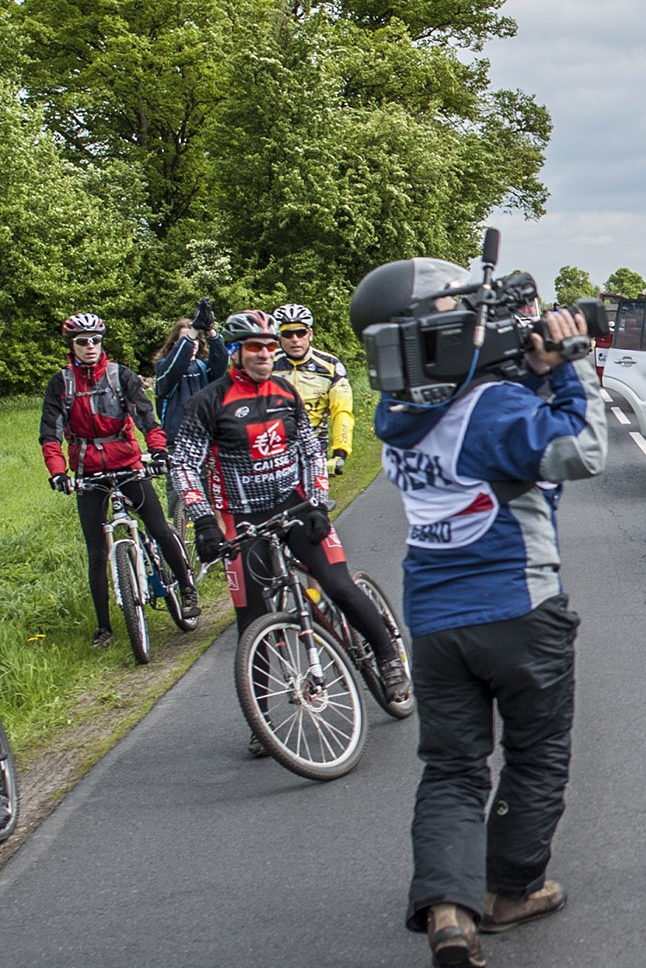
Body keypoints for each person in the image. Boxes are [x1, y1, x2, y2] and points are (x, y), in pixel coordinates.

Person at [355, 260, 607, 968]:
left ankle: (447, 907)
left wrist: (525, 370)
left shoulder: (398, 414)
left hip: (434, 620)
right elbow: (581, 450)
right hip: (519, 608)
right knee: (535, 755)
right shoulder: (493, 412)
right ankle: (508, 893)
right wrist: (571, 365)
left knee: (452, 767)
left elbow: (474, 414)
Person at [171, 309, 409, 743]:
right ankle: (261, 720)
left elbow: (310, 451)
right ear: (236, 353)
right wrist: (203, 519)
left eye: (269, 346)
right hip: (241, 517)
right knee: (252, 616)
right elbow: (184, 464)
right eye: (255, 347)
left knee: (336, 583)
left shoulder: (283, 391)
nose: (266, 353)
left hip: (296, 505)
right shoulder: (208, 401)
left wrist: (317, 501)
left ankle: (388, 656)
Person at [40, 313, 195, 650]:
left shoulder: (119, 375)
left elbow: (146, 417)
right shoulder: (61, 384)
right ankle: (104, 628)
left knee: (157, 526)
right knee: (96, 552)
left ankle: (186, 587)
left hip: (127, 464)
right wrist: (57, 472)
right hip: (87, 473)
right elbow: (50, 434)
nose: (90, 346)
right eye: (82, 341)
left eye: (96, 340)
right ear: (72, 346)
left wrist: (158, 451)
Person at [268, 302, 356, 476]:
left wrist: (340, 452)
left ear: (310, 334)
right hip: (273, 450)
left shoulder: (330, 366)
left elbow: (342, 411)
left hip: (313, 451)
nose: (295, 339)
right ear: (278, 337)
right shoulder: (268, 364)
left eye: (300, 332)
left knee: (315, 501)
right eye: (287, 333)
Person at [152, 300, 227, 438]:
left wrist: (210, 329)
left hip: (206, 437)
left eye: (196, 339)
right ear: (176, 343)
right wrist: (194, 329)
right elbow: (175, 366)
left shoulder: (203, 366)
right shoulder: (163, 366)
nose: (192, 344)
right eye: (187, 339)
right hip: (177, 440)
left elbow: (221, 361)